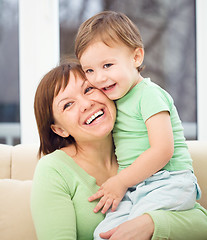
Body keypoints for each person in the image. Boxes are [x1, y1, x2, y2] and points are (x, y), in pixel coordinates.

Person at [31, 59, 207, 240]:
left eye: (88, 89)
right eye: (68, 105)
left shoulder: (144, 155)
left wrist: (150, 224)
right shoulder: (53, 169)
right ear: (60, 129)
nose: (86, 104)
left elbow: (202, 223)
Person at [75, 11, 202, 238]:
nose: (99, 78)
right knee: (103, 233)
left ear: (136, 58)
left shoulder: (149, 94)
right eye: (90, 70)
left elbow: (163, 150)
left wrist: (120, 181)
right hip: (136, 188)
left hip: (169, 181)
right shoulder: (111, 102)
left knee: (134, 230)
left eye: (107, 65)